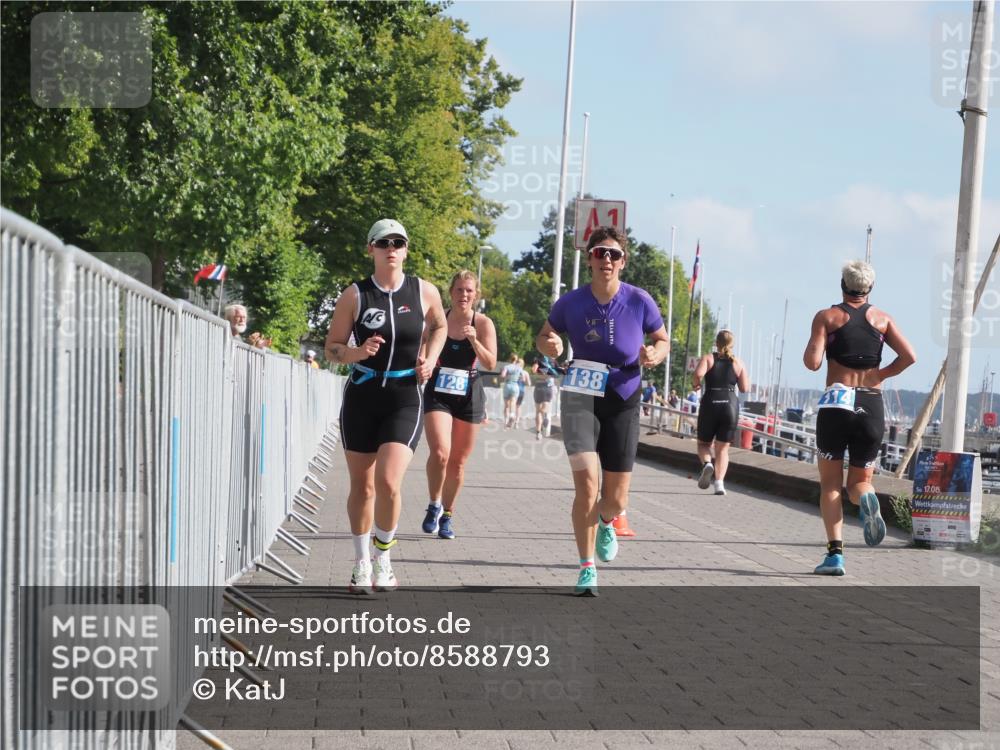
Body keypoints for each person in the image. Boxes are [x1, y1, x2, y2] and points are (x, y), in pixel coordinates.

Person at [536, 226, 669, 596]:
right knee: (587, 486)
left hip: (624, 395)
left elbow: (662, 339)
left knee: (616, 497)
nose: (606, 259)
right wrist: (549, 343)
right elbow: (546, 333)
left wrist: (655, 353)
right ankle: (586, 567)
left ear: (623, 261)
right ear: (589, 259)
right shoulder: (571, 303)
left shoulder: (640, 301)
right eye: (599, 253)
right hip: (580, 393)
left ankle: (608, 520)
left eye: (613, 254)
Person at [325, 219, 447, 593]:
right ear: (371, 249)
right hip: (362, 395)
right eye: (383, 242)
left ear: (406, 250)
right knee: (362, 486)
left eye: (398, 242)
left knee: (389, 482)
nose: (391, 248)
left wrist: (429, 356)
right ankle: (361, 563)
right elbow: (331, 347)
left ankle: (384, 557)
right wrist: (358, 352)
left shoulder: (424, 291)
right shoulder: (356, 295)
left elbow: (440, 326)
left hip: (404, 396)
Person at [803, 260, 916, 576]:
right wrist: (880, 374)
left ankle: (835, 555)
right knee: (859, 482)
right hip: (871, 403)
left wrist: (819, 339)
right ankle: (867, 499)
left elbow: (812, 363)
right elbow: (910, 356)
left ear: (842, 284)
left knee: (830, 483)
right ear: (870, 289)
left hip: (837, 402)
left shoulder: (827, 317)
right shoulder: (883, 319)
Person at [420, 270, 498, 540]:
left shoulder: (484, 323)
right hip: (438, 389)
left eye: (469, 291)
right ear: (450, 292)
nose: (463, 295)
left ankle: (448, 515)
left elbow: (490, 363)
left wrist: (474, 339)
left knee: (458, 462)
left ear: (476, 295)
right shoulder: (437, 319)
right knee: (441, 453)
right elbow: (421, 347)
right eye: (459, 290)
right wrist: (421, 363)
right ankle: (434, 504)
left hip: (470, 392)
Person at [691, 330, 750, 496]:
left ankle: (707, 464)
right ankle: (719, 484)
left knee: (703, 443)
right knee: (723, 449)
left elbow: (698, 374)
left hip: (711, 401)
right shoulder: (738, 363)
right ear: (732, 345)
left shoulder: (708, 358)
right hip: (730, 404)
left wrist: (695, 384)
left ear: (716, 343)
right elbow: (745, 388)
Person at [531, 354, 560, 440]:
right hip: (548, 387)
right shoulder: (553, 361)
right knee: (545, 408)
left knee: (538, 411)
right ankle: (545, 417)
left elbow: (533, 370)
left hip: (539, 386)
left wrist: (540, 372)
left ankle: (538, 432)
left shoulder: (538, 360)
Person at [499, 354, 524, 429]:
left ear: (510, 359)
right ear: (516, 360)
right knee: (513, 402)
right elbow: (523, 378)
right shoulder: (519, 368)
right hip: (515, 386)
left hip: (507, 385)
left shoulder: (506, 367)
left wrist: (505, 375)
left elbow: (503, 375)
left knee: (506, 405)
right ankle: (512, 415)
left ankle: (506, 422)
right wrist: (517, 377)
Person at [514, 357, 530, 428]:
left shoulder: (513, 371)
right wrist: (524, 381)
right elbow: (529, 383)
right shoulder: (525, 373)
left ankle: (511, 420)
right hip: (521, 390)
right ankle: (516, 422)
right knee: (518, 406)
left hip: (514, 390)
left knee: (512, 405)